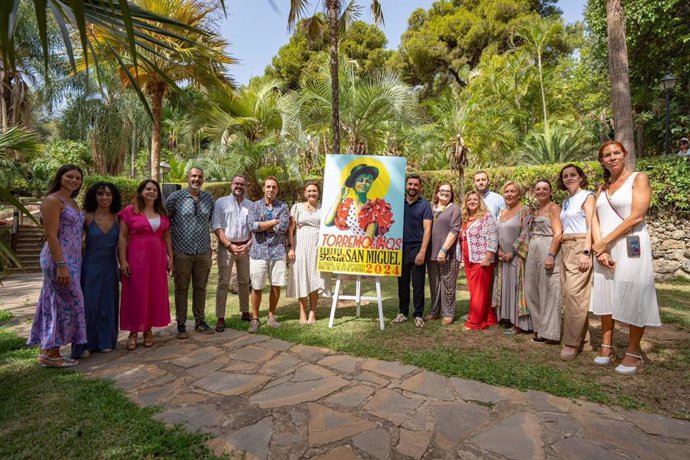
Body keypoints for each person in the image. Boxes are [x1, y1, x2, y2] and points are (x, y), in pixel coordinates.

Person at [591, 141, 660, 375]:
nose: (612, 158)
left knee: (633, 294)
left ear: (625, 154)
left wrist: (603, 242)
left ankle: (633, 351)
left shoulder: (639, 179)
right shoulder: (602, 188)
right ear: (601, 161)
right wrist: (600, 248)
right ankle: (606, 345)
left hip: (631, 245)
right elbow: (594, 218)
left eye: (616, 153)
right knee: (605, 293)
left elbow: (637, 216)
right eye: (606, 155)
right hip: (604, 249)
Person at [28, 165, 86, 368]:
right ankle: (53, 353)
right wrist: (61, 264)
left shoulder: (72, 201)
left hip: (73, 259)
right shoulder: (53, 200)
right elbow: (51, 235)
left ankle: (46, 352)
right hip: (58, 259)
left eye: (78, 178)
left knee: (53, 300)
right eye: (69, 176)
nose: (74, 180)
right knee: (67, 302)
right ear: (60, 177)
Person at [118, 179, 173, 350]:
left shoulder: (161, 212)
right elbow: (122, 237)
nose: (151, 192)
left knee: (152, 294)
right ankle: (133, 332)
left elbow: (167, 237)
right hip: (136, 259)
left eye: (154, 190)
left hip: (157, 261)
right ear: (141, 191)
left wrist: (171, 258)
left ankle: (148, 330)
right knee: (135, 294)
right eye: (148, 189)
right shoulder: (130, 211)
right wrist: (123, 261)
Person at [71, 182, 122, 359]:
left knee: (108, 304)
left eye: (108, 194)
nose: (104, 198)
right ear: (94, 196)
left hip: (110, 267)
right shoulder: (86, 217)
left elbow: (123, 244)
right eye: (100, 194)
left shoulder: (118, 218)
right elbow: (71, 238)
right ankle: (84, 343)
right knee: (88, 305)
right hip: (90, 266)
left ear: (113, 197)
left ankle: (106, 340)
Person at [166, 167, 215, 338]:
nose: (197, 179)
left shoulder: (208, 199)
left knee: (200, 288)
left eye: (200, 177)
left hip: (203, 251)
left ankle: (200, 322)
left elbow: (211, 221)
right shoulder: (175, 198)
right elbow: (165, 223)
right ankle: (181, 324)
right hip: (181, 252)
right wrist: (168, 252)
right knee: (181, 288)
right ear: (188, 177)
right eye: (194, 176)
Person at [558, 164, 596, 361]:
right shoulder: (566, 201)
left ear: (581, 177)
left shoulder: (587, 196)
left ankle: (571, 343)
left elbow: (592, 226)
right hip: (566, 246)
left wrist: (586, 252)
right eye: (565, 176)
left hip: (580, 244)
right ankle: (584, 340)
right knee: (569, 295)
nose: (569, 178)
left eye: (573, 175)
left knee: (575, 295)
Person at [247, 176, 290, 333]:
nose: (271, 189)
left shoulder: (283, 207)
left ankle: (271, 316)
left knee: (276, 285)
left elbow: (284, 228)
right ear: (264, 188)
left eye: (274, 187)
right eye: (268, 187)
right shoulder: (254, 206)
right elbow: (252, 225)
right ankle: (255, 318)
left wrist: (262, 225)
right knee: (257, 286)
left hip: (278, 251)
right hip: (258, 252)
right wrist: (273, 222)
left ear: (277, 189)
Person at [212, 175, 253, 332]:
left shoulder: (251, 205)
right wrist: (229, 245)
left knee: (244, 281)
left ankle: (244, 312)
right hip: (226, 247)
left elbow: (253, 228)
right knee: (223, 282)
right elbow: (216, 226)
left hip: (244, 248)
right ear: (231, 185)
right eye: (236, 183)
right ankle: (220, 317)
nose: (239, 186)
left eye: (242, 184)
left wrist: (248, 244)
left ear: (246, 186)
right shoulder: (221, 203)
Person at [524, 180, 562, 344]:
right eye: (538, 188)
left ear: (550, 191)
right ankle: (539, 328)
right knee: (532, 290)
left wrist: (551, 255)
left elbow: (558, 233)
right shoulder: (537, 210)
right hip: (533, 252)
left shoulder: (554, 208)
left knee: (549, 291)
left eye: (545, 189)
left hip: (548, 249)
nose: (541, 191)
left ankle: (551, 333)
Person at [287, 181, 331, 324]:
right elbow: (291, 229)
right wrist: (291, 248)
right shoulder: (297, 207)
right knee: (302, 278)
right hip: (300, 247)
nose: (312, 193)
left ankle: (312, 312)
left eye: (315, 191)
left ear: (319, 193)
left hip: (317, 248)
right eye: (309, 191)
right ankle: (302, 312)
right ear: (305, 193)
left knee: (315, 279)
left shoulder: (323, 209)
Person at [392, 174, 432, 328]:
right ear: (405, 185)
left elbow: (427, 229)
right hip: (399, 248)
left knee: (418, 284)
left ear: (420, 187)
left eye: (416, 185)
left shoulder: (424, 205)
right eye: (410, 184)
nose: (412, 187)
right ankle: (402, 313)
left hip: (417, 248)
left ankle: (418, 314)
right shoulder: (398, 203)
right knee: (402, 283)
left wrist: (422, 252)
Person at [493, 181, 532, 334]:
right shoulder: (502, 211)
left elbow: (525, 233)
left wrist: (512, 252)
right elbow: (495, 232)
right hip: (502, 257)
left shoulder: (525, 210)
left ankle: (519, 323)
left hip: (517, 257)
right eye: (506, 191)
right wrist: (498, 251)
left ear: (519, 193)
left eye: (512, 191)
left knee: (517, 287)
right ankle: (507, 318)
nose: (509, 194)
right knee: (505, 285)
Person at [460, 191, 498, 330]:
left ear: (479, 201)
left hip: (481, 259)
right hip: (468, 259)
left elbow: (493, 238)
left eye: (475, 199)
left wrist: (488, 257)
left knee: (478, 292)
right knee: (476, 291)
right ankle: (488, 318)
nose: (472, 201)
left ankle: (474, 322)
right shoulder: (465, 218)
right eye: (469, 199)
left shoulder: (486, 217)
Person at [425, 182, 462, 325]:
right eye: (442, 190)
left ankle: (448, 313)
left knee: (448, 284)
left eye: (448, 191)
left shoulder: (455, 209)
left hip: (448, 254)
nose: (445, 193)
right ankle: (434, 311)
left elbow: (454, 230)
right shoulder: (429, 208)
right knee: (434, 284)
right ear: (436, 192)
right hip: (430, 253)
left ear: (451, 194)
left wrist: (443, 250)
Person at [324, 163, 394, 238]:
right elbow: (328, 223)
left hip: (369, 247)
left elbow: (368, 240)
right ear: (353, 183)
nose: (364, 183)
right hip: (351, 247)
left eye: (368, 181)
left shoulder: (374, 208)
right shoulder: (346, 206)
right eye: (360, 180)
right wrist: (339, 198)